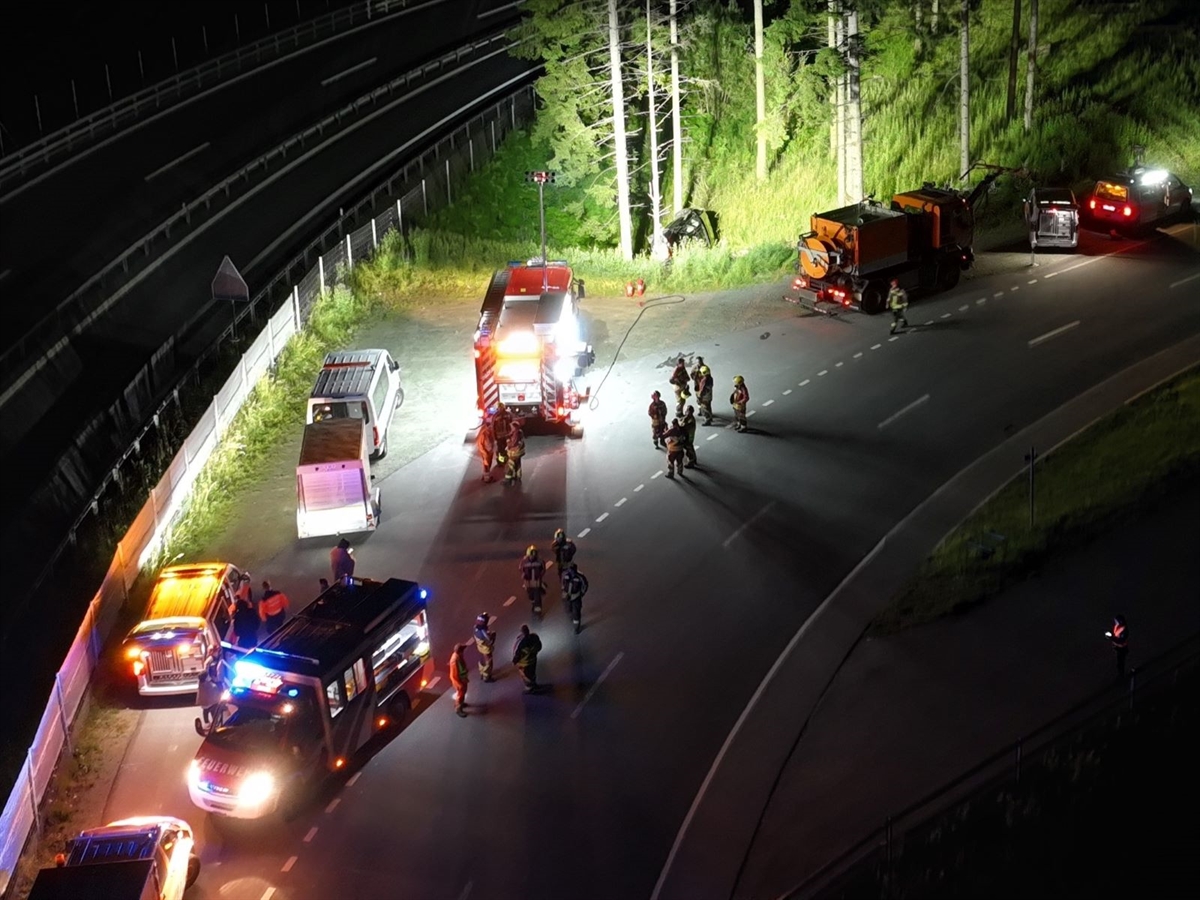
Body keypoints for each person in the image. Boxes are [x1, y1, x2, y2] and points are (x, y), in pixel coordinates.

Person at [196, 653, 229, 732]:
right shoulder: (208, 684)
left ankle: (208, 723)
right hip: (210, 701)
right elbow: (214, 690)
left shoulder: (201, 683)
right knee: (213, 711)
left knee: (206, 712)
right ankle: (214, 724)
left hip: (204, 702)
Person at [512, 624, 543, 693]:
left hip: (524, 664)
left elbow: (516, 653)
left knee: (526, 676)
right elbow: (539, 647)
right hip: (532, 661)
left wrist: (514, 661)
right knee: (532, 674)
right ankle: (534, 685)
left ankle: (530, 688)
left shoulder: (520, 642)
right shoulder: (534, 637)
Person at [561, 562, 589, 634]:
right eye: (570, 569)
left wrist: (581, 594)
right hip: (567, 597)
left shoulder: (580, 577)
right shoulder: (566, 576)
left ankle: (576, 628)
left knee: (576, 612)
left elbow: (585, 585)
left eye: (572, 569)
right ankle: (572, 619)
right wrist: (564, 592)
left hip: (576, 597)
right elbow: (563, 584)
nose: (571, 571)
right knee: (568, 610)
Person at [520, 545, 546, 615]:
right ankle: (533, 602)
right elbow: (521, 569)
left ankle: (538, 608)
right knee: (530, 595)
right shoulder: (524, 561)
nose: (533, 556)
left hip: (536, 582)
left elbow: (543, 569)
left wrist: (539, 576)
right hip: (528, 583)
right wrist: (524, 575)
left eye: (534, 554)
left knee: (537, 594)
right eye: (531, 554)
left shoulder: (540, 561)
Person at [551, 528, 577, 593]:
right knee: (560, 574)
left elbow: (573, 549)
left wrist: (568, 555)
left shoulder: (569, 543)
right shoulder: (555, 544)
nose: (560, 539)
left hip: (569, 563)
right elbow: (553, 549)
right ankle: (563, 585)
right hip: (561, 564)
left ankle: (574, 584)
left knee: (574, 573)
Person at [474, 613, 496, 682]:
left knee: (482, 660)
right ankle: (486, 676)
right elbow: (489, 639)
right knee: (489, 662)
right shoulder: (483, 631)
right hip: (485, 648)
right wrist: (493, 635)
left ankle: (482, 672)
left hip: (480, 647)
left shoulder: (475, 627)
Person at [449, 643, 470, 717]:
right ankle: (458, 708)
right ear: (459, 651)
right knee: (460, 695)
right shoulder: (455, 660)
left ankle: (461, 703)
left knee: (463, 693)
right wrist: (459, 684)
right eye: (462, 650)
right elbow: (454, 675)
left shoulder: (458, 656)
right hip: (459, 681)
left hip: (462, 679)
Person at [476, 415, 497, 482]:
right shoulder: (483, 435)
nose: (490, 429)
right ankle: (487, 478)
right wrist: (484, 452)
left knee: (489, 463)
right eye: (489, 428)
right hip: (485, 452)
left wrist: (492, 449)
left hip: (490, 451)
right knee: (486, 464)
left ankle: (485, 475)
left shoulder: (490, 433)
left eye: (491, 427)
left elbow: (492, 441)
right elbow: (480, 444)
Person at [505, 420, 526, 485]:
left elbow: (513, 444)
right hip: (519, 452)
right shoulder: (520, 432)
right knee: (518, 465)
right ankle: (518, 477)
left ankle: (508, 480)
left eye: (511, 427)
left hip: (514, 453)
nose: (510, 427)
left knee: (510, 466)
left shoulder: (515, 434)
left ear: (515, 427)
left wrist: (508, 443)